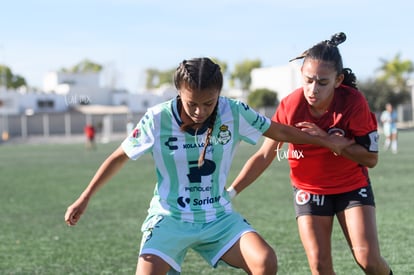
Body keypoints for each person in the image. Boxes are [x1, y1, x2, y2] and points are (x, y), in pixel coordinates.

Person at [65, 57, 351, 275]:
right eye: (192, 104)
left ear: (219, 94)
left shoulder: (233, 111)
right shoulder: (157, 119)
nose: (200, 111)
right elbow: (119, 156)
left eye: (208, 103)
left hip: (218, 218)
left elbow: (281, 132)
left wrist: (326, 141)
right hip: (170, 218)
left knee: (265, 261)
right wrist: (84, 197)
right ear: (178, 91)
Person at [228, 33, 393, 275]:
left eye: (322, 82)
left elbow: (371, 158)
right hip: (308, 190)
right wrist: (231, 192)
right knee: (319, 266)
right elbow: (265, 154)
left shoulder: (353, 102)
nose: (312, 89)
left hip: (351, 187)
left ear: (338, 80)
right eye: (308, 80)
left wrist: (326, 140)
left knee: (368, 259)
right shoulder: (291, 106)